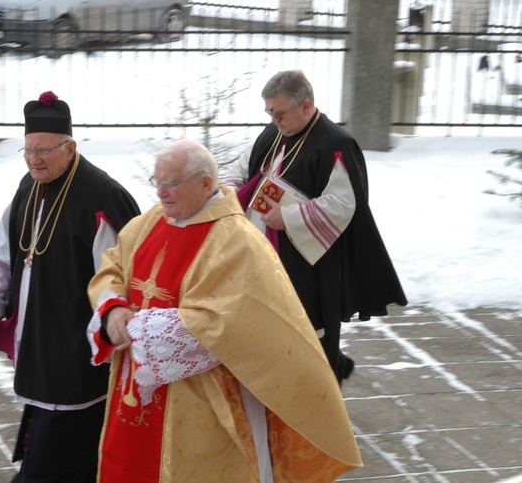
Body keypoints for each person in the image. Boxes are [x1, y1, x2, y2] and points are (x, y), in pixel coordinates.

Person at [86, 139, 363, 482]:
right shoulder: (149, 223)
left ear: (205, 184)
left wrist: (139, 331)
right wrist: (113, 309)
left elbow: (229, 322)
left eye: (171, 183)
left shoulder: (236, 239)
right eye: (156, 182)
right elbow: (112, 266)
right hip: (133, 393)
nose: (160, 193)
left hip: (200, 400)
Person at [0, 91, 141, 483]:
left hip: (77, 336)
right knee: (47, 410)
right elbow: (2, 247)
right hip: (37, 331)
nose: (34, 159)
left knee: (69, 416)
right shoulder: (29, 185)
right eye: (28, 150)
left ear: (70, 148)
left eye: (43, 151)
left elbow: (117, 275)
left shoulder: (100, 197)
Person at [224, 70, 407, 383]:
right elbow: (244, 165)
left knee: (308, 327)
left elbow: (344, 204)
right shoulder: (276, 133)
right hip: (264, 250)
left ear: (305, 107)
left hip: (307, 260)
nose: (273, 121)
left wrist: (290, 218)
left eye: (279, 113)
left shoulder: (335, 143)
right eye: (269, 112)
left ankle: (322, 389)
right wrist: (229, 188)